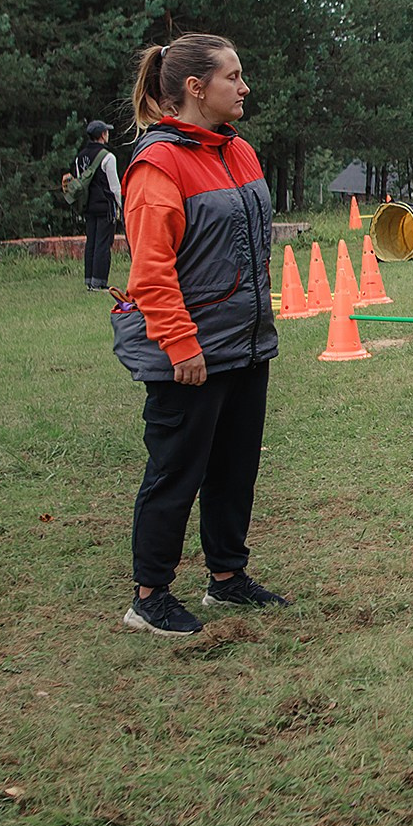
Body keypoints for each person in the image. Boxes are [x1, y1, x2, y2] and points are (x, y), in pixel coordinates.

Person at [112, 34, 291, 637]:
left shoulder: (239, 151)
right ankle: (149, 595)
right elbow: (152, 270)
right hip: (187, 354)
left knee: (234, 468)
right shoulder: (157, 164)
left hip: (244, 345)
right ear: (196, 88)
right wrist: (181, 344)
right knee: (175, 471)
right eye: (233, 77)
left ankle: (226, 579)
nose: (244, 88)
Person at [63, 119, 122, 289]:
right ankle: (99, 282)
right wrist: (123, 206)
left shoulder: (80, 156)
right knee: (103, 244)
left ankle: (89, 280)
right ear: (103, 135)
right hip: (105, 206)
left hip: (88, 205)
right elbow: (114, 186)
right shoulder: (108, 157)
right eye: (107, 132)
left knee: (91, 243)